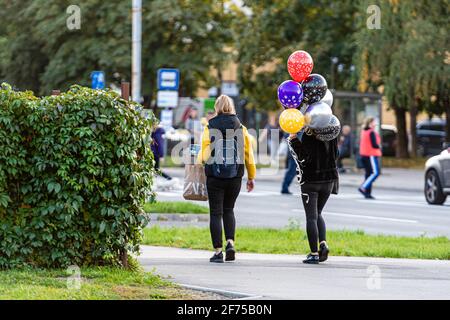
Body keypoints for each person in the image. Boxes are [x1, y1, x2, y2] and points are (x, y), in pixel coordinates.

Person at [198, 95, 256, 263]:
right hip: (235, 175)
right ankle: (230, 243)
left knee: (216, 213)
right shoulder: (241, 127)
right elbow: (248, 155)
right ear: (232, 107)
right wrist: (251, 177)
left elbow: (204, 153)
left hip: (215, 176)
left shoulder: (210, 126)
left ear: (217, 107)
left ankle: (218, 252)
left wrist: (199, 162)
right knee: (229, 210)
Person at [289, 128, 339, 264]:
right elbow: (337, 154)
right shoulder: (332, 133)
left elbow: (304, 158)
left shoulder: (308, 135)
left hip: (311, 180)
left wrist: (293, 140)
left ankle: (314, 253)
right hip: (329, 179)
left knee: (311, 217)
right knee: (318, 213)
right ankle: (323, 244)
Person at [358, 117, 382, 199]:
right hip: (371, 155)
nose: (375, 124)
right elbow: (374, 145)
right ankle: (363, 187)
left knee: (368, 174)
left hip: (364, 155)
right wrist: (380, 146)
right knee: (375, 173)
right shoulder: (371, 132)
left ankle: (367, 193)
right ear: (370, 123)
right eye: (374, 122)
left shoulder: (364, 131)